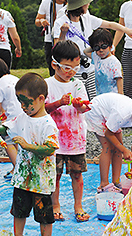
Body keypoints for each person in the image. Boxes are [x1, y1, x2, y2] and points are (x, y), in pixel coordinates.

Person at [0, 73, 59, 236]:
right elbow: (7, 129)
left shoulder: (48, 124)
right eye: (20, 102)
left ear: (41, 99)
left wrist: (27, 146)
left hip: (42, 180)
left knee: (44, 216)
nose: (23, 106)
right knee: (19, 211)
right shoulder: (22, 118)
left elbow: (50, 148)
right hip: (22, 178)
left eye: (26, 102)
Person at [53, 0, 132, 100]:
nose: (88, 5)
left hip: (91, 67)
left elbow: (109, 24)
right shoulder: (60, 22)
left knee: (94, 100)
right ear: (80, 5)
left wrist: (126, 30)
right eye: (86, 3)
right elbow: (56, 49)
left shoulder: (87, 18)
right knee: (79, 100)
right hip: (73, 70)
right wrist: (62, 34)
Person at [44, 40, 91, 222]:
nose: (71, 72)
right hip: (54, 140)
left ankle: (78, 205)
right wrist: (59, 103)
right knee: (54, 174)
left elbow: (84, 108)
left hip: (75, 139)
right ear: (54, 64)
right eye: (67, 67)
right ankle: (55, 205)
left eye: (75, 68)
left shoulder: (78, 85)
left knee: (77, 174)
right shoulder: (47, 84)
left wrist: (79, 105)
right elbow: (43, 109)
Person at [0, 56, 23, 177]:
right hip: (24, 114)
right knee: (19, 141)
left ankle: (19, 170)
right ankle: (17, 167)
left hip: (12, 118)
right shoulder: (15, 78)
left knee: (8, 142)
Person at [35, 0, 69, 75]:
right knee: (52, 67)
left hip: (67, 39)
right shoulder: (46, 2)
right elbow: (36, 21)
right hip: (50, 39)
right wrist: (42, 21)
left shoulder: (70, 3)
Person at [85, 28, 123, 95]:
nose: (101, 50)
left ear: (110, 46)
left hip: (113, 95)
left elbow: (119, 79)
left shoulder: (113, 61)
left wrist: (121, 95)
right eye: (97, 48)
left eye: (104, 46)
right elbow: (85, 51)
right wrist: (94, 45)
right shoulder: (97, 57)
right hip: (100, 95)